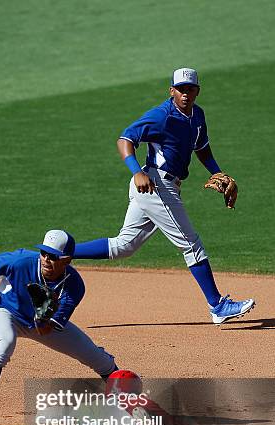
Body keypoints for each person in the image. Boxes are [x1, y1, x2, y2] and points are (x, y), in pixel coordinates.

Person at [73, 68, 255, 325]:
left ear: (197, 91)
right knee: (191, 244)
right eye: (180, 89)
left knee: (124, 246)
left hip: (163, 187)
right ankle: (217, 306)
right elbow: (125, 139)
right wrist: (137, 172)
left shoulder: (197, 115)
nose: (185, 93)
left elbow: (201, 148)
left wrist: (219, 173)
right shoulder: (162, 116)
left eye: (190, 89)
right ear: (171, 91)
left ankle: (62, 252)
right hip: (155, 185)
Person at [0, 230, 117, 425]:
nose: (46, 259)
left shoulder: (74, 286)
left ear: (67, 260)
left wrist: (41, 317)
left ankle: (130, 404)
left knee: (98, 359)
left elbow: (45, 330)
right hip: (5, 312)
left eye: (53, 257)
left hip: (39, 325)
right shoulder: (21, 261)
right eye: (44, 253)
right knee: (3, 345)